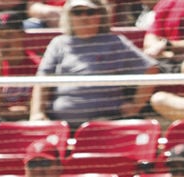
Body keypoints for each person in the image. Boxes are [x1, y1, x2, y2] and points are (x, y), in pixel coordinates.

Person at [31, 0, 160, 125]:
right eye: (77, 12)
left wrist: (135, 105)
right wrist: (37, 113)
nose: (84, 17)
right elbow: (42, 80)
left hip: (106, 121)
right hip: (59, 122)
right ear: (68, 17)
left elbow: (150, 68)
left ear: (101, 15)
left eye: (90, 12)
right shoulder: (58, 43)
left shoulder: (115, 42)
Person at [0, 13, 43, 123]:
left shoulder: (37, 64)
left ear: (21, 34)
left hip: (26, 120)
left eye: (9, 34)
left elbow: (31, 109)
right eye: (0, 35)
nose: (4, 41)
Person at [141, 0, 184, 70]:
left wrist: (167, 46)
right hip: (166, 63)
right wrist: (168, 51)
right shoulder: (167, 3)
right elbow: (149, 43)